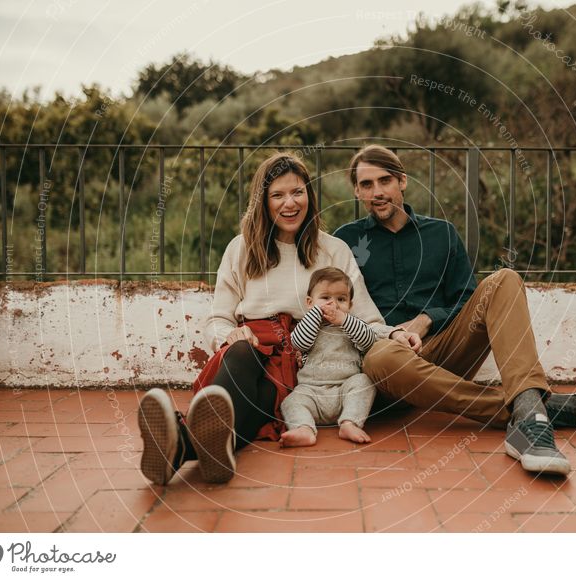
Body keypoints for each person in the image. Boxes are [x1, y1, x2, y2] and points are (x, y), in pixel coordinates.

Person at [137, 152, 416, 486]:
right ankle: (196, 447)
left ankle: (181, 447)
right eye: (278, 195)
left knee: (262, 400)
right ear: (263, 202)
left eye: (297, 192)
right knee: (241, 355)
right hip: (248, 352)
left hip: (300, 361)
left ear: (310, 198)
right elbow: (218, 317)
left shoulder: (334, 250)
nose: (290, 203)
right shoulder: (240, 249)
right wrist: (229, 335)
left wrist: (395, 334)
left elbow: (365, 317)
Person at [334, 145, 576, 476]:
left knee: (504, 279)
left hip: (444, 348)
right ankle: (529, 408)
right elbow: (337, 304)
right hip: (388, 365)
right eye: (367, 185)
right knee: (379, 357)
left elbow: (465, 297)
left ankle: (527, 416)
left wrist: (426, 320)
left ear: (402, 181)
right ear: (356, 190)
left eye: (385, 180)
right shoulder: (346, 241)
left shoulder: (441, 233)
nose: (377, 192)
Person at [279, 267, 377, 447]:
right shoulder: (307, 327)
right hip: (311, 392)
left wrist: (345, 320)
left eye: (341, 299)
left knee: (364, 381)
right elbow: (297, 343)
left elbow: (369, 340)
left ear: (350, 305)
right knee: (290, 401)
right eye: (325, 298)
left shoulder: (352, 326)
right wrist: (316, 314)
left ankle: (350, 423)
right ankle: (304, 428)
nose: (333, 304)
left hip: (345, 391)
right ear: (309, 302)